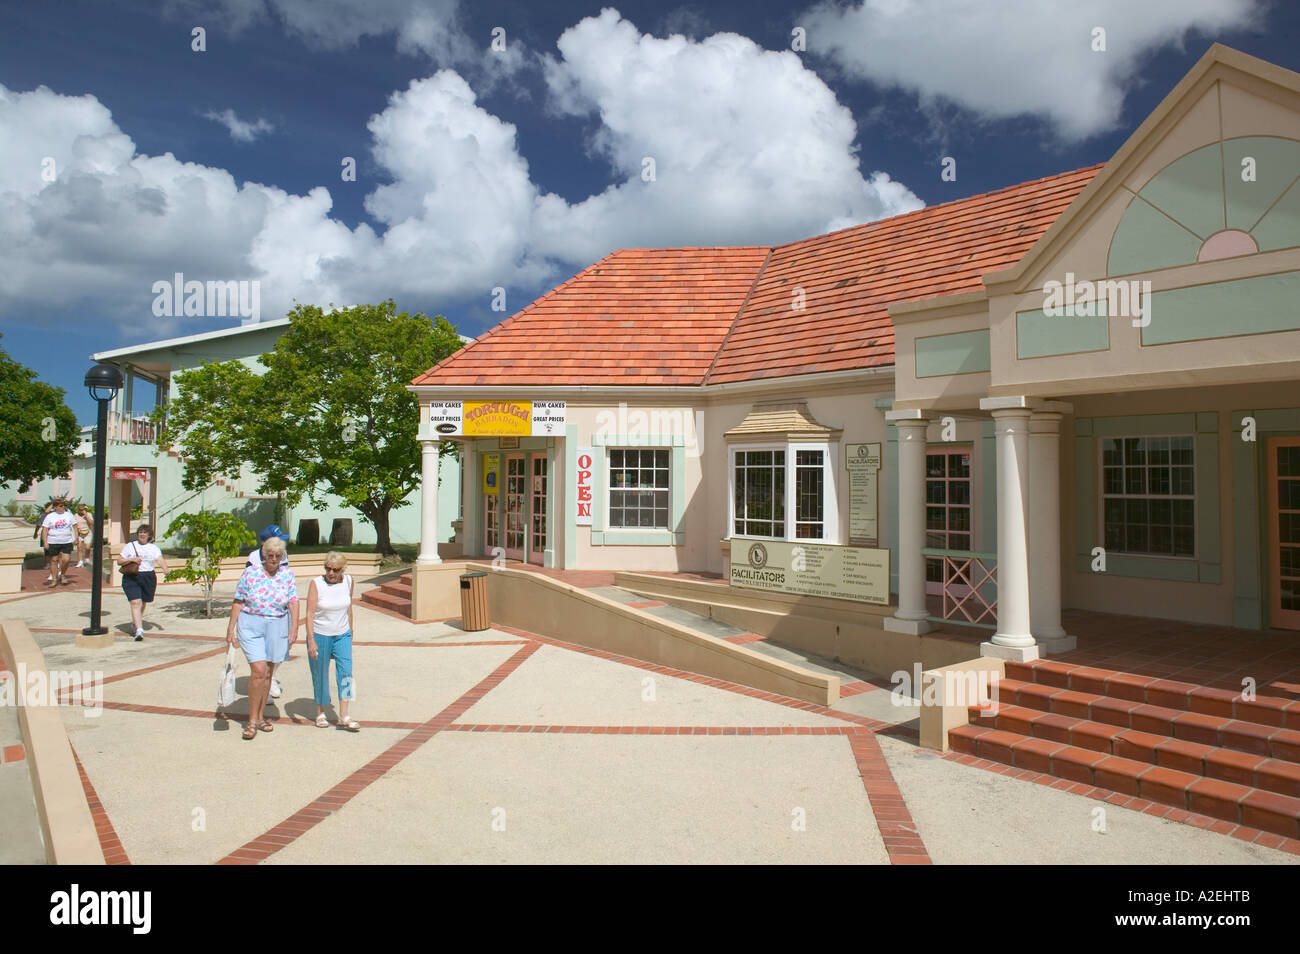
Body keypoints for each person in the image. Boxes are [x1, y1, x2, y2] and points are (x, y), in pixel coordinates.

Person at [226, 536, 298, 740]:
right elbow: (238, 600)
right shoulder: (251, 572)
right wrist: (231, 628)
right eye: (269, 555)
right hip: (251, 624)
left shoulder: (287, 575)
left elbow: (293, 602)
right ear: (263, 555)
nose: (273, 559)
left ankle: (260, 716)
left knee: (268, 671)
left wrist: (294, 628)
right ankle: (251, 721)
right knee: (258, 670)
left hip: (277, 625)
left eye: (277, 556)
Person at [306, 552, 359, 730]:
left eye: (335, 570)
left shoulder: (349, 581)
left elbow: (348, 606)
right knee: (320, 673)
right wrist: (311, 639)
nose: (330, 573)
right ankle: (320, 712)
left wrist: (351, 629)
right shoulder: (316, 584)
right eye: (328, 569)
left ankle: (344, 715)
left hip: (342, 634)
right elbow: (310, 613)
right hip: (321, 634)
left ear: (342, 569)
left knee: (346, 672)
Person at [246, 525, 291, 702]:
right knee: (260, 653)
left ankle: (270, 678)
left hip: (280, 613)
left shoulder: (283, 555)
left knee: (278, 651)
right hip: (258, 614)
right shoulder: (253, 558)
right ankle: (263, 683)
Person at [118, 525, 167, 640]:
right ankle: (139, 630)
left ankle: (135, 622)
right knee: (136, 602)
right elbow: (119, 561)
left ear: (149, 535)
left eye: (145, 532)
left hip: (148, 576)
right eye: (140, 532)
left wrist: (165, 568)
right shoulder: (130, 546)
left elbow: (159, 559)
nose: (142, 534)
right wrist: (131, 559)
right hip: (132, 577)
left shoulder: (153, 548)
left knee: (143, 602)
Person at [41, 498, 79, 586]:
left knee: (66, 559)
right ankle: (54, 578)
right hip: (53, 541)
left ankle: (63, 574)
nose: (63, 507)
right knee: (54, 560)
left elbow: (75, 526)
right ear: (55, 507)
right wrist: (45, 542)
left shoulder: (68, 515)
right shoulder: (50, 516)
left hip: (67, 540)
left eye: (63, 505)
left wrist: (76, 538)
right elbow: (45, 529)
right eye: (60, 506)